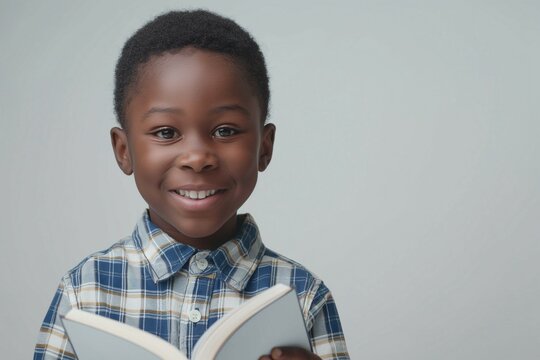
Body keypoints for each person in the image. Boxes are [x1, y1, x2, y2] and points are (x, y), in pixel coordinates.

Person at [34, 10, 349, 360]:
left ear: (264, 146)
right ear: (124, 151)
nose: (197, 158)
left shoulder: (303, 296)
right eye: (166, 133)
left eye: (225, 131)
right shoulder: (84, 293)